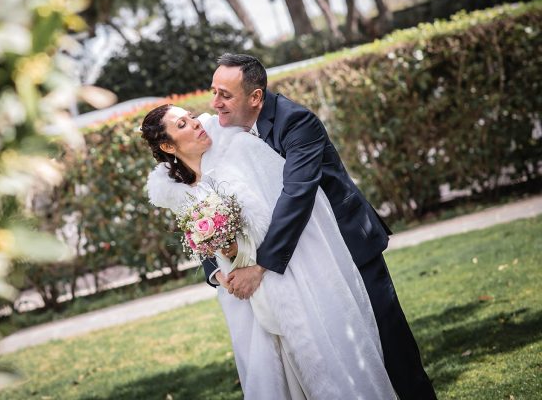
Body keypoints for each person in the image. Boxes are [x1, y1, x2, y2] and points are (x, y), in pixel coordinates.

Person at [205, 53, 436, 400]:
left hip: (349, 247)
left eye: (225, 94)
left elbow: (297, 194)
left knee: (390, 349)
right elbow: (209, 200)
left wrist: (261, 266)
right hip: (301, 265)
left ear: (255, 97)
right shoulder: (223, 134)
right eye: (213, 92)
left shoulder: (296, 122)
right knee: (338, 357)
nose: (215, 103)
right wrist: (216, 269)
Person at [142, 103, 396, 399]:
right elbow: (203, 242)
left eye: (192, 117)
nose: (196, 123)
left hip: (285, 276)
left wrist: (253, 260)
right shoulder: (181, 193)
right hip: (244, 298)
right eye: (182, 124)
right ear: (167, 145)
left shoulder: (238, 150)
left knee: (319, 360)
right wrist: (220, 275)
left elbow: (285, 210)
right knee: (277, 377)